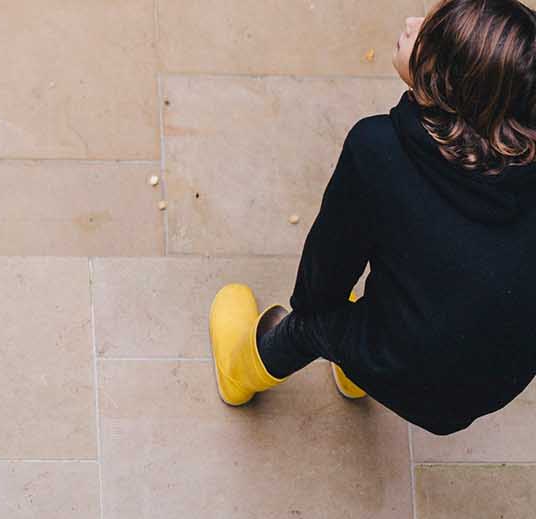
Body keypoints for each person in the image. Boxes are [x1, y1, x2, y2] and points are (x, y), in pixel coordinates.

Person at [210, 0, 536, 435]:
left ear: (445, 84)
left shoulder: (378, 150)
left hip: (414, 375)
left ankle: (242, 370)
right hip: (492, 384)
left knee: (315, 321)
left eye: (430, 32)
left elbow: (321, 282)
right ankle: (355, 369)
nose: (411, 23)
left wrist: (318, 311)